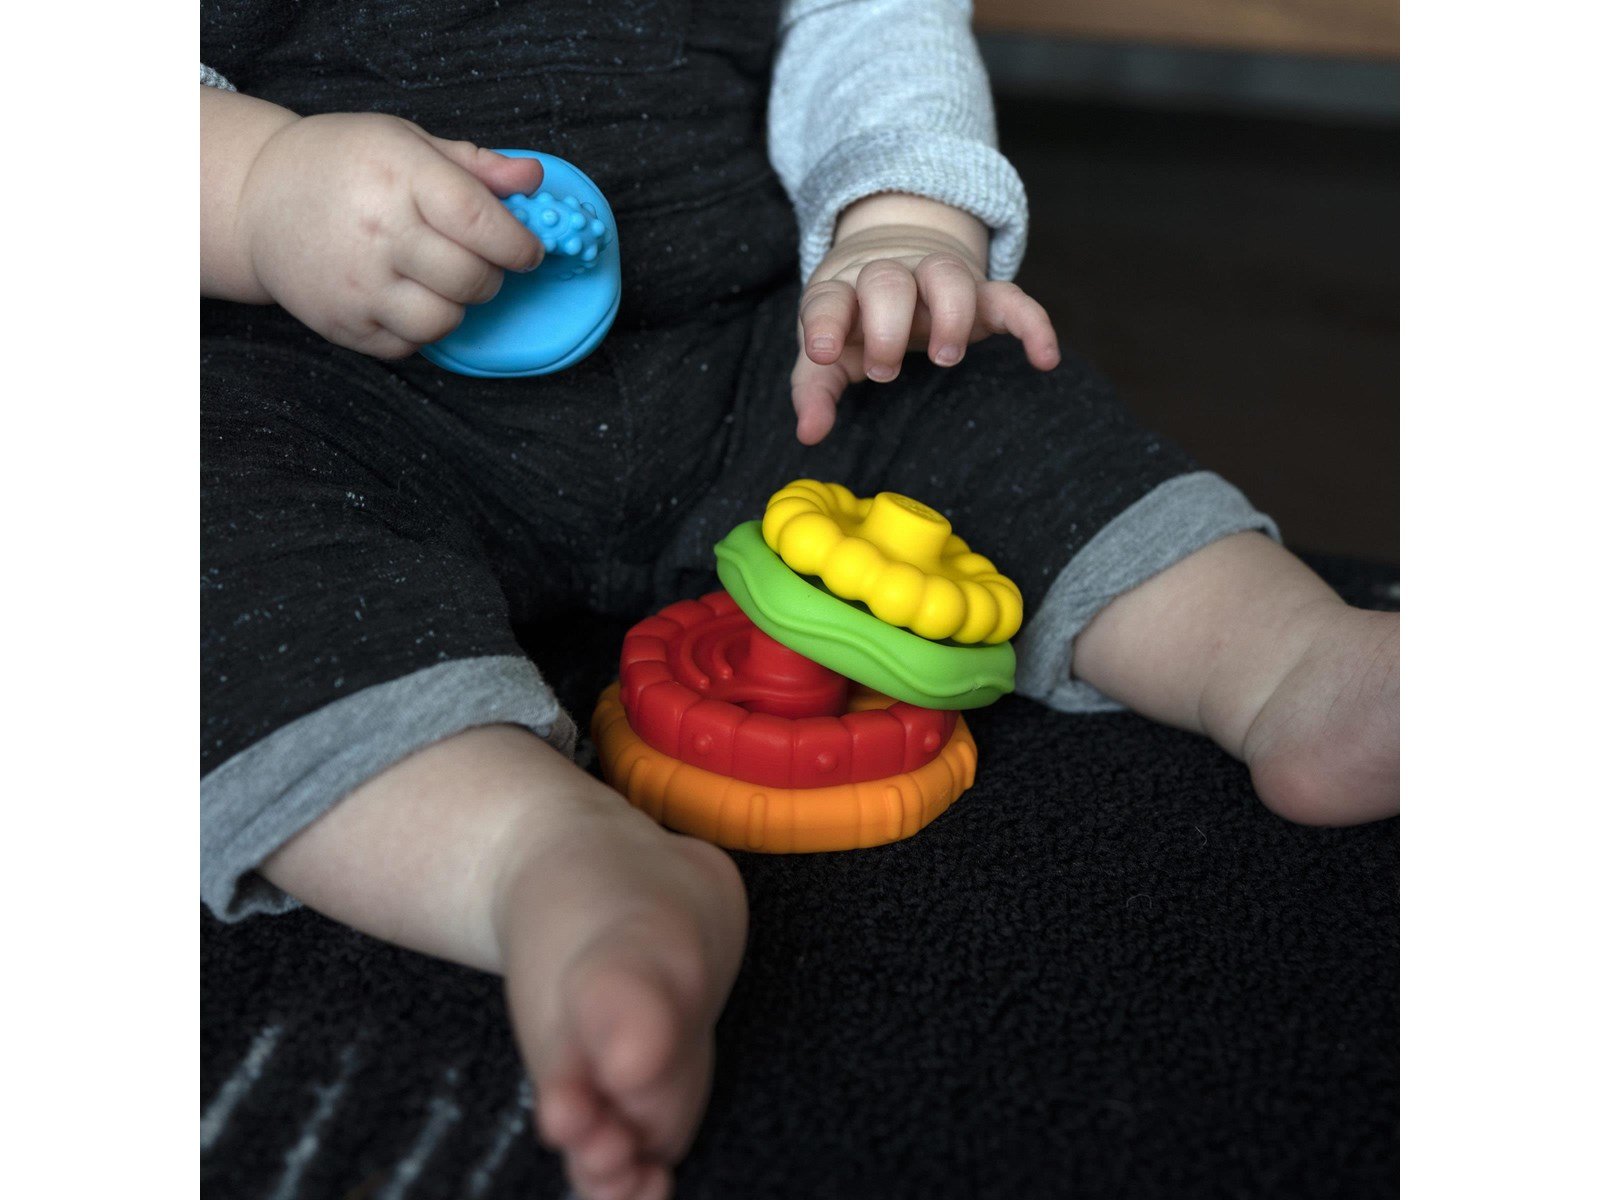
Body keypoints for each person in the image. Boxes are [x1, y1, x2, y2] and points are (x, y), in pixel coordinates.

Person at [201, 3, 1398, 1197]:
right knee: (199, 544)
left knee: (963, 391)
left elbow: (864, 20)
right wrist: (257, 186)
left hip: (761, 354)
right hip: (336, 395)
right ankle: (542, 860)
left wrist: (899, 222)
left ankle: (1285, 662)